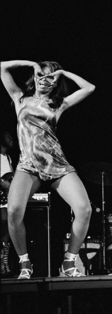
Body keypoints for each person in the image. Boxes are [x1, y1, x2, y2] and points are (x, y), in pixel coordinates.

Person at [1, 60, 95, 278]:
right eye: (40, 75)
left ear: (55, 82)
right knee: (14, 211)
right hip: (28, 165)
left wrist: (63, 72)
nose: (44, 80)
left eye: (50, 77)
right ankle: (25, 263)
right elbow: (2, 67)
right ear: (34, 76)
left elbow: (89, 88)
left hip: (57, 164)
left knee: (84, 209)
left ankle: (69, 262)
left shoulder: (58, 104)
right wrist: (31, 64)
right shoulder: (20, 98)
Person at [1, 131, 15, 277]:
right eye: (8, 136)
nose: (11, 138)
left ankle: (4, 266)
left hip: (6, 200)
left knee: (6, 232)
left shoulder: (8, 158)